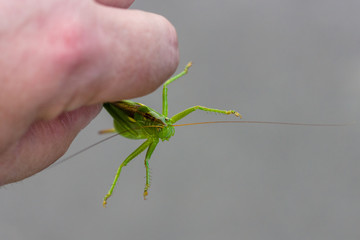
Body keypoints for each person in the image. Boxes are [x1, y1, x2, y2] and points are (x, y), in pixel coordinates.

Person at [0, 0, 179, 185]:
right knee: (111, 103)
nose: (166, 123)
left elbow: (146, 159)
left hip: (134, 124)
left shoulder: (156, 130)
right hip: (128, 117)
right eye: (165, 123)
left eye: (166, 124)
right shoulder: (154, 129)